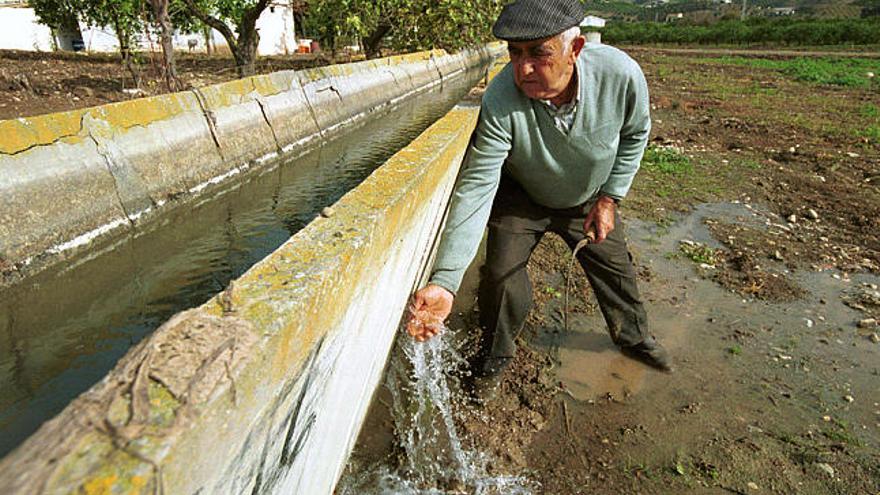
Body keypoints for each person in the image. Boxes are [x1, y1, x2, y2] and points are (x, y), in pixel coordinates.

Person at [406, 0, 672, 397]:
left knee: (616, 271)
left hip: (589, 197)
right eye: (515, 53)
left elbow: (636, 133)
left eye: (538, 53)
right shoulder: (501, 98)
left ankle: (634, 339)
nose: (523, 69)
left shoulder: (620, 75)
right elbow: (478, 183)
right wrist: (445, 282)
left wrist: (610, 198)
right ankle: (494, 358)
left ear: (575, 49)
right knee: (501, 277)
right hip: (523, 197)